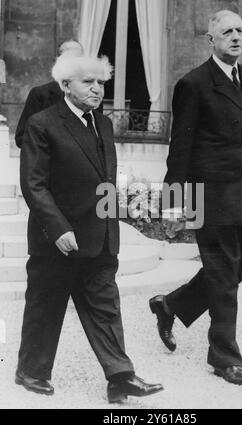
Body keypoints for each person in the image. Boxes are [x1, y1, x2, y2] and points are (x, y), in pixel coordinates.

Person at [149, 10, 242, 386]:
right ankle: (224, 357)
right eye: (227, 31)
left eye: (240, 31)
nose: (235, 36)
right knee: (224, 276)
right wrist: (175, 199)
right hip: (210, 195)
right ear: (210, 40)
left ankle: (170, 306)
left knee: (234, 271)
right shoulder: (194, 83)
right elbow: (180, 146)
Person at [16, 55, 163, 403]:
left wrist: (114, 225)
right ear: (66, 85)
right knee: (45, 306)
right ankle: (31, 371)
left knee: (106, 307)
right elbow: (34, 185)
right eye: (88, 82)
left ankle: (120, 377)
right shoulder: (43, 124)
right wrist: (58, 228)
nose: (97, 89)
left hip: (99, 238)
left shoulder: (104, 125)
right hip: (56, 240)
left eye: (101, 83)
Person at [15, 40, 85, 148]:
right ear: (58, 62)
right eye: (69, 58)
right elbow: (22, 137)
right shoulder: (40, 94)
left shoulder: (92, 95)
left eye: (78, 59)